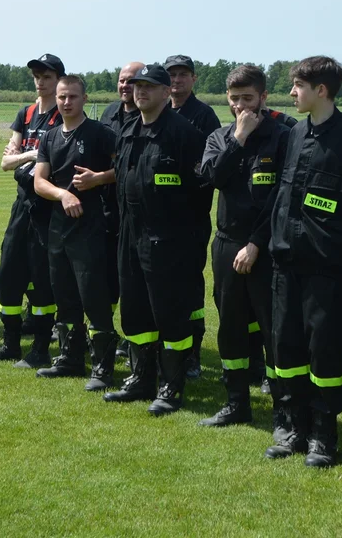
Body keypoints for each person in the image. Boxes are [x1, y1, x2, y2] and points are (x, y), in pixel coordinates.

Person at [267, 56, 342, 467]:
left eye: (298, 86)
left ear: (322, 91)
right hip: (285, 263)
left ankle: (323, 434)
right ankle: (292, 425)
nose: (293, 93)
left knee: (324, 354)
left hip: (326, 267)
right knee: (286, 346)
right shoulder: (294, 132)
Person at [103, 64, 206, 415]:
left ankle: (171, 386)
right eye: (136, 85)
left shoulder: (183, 134)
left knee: (170, 314)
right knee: (134, 311)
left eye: (149, 86)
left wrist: (184, 240)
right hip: (131, 234)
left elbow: (199, 194)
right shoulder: (129, 130)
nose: (140, 91)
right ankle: (141, 378)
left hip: (169, 238)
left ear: (166, 92)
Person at [199, 65, 290, 427]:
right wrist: (237, 139)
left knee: (273, 329)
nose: (241, 107)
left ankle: (284, 410)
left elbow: (283, 198)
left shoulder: (283, 137)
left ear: (264, 97)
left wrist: (256, 243)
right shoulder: (220, 137)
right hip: (225, 244)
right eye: (234, 99)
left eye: (248, 99)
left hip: (267, 247)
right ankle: (237, 402)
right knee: (231, 326)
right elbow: (211, 179)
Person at [32, 75, 118, 389]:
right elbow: (39, 181)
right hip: (58, 227)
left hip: (91, 226)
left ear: (84, 99)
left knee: (93, 297)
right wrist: (63, 194)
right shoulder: (50, 136)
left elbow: (124, 169)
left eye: (72, 97)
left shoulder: (100, 133)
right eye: (62, 97)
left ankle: (102, 368)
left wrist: (98, 178)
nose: (66, 102)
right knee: (64, 295)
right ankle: (70, 359)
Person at [0, 53, 66, 368]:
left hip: (47, 207)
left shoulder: (65, 114)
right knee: (8, 272)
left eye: (46, 76)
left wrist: (26, 155)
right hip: (22, 204)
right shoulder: (26, 112)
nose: (40, 81)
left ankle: (39, 349)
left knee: (42, 278)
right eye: (36, 75)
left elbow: (55, 165)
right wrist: (33, 153)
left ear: (59, 79)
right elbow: (6, 162)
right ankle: (9, 344)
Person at [165, 54, 221, 378]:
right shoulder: (158, 112)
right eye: (172, 74)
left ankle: (193, 355)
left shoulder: (204, 116)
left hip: (190, 219)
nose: (177, 80)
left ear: (194, 79)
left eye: (183, 74)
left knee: (189, 289)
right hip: (160, 218)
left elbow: (207, 169)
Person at [99, 61, 144, 343]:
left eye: (132, 81)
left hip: (136, 211)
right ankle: (108, 333)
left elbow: (134, 168)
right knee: (107, 277)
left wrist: (98, 178)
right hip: (106, 210)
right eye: (122, 80)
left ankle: (135, 337)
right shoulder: (108, 114)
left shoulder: (148, 116)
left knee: (133, 279)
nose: (125, 86)